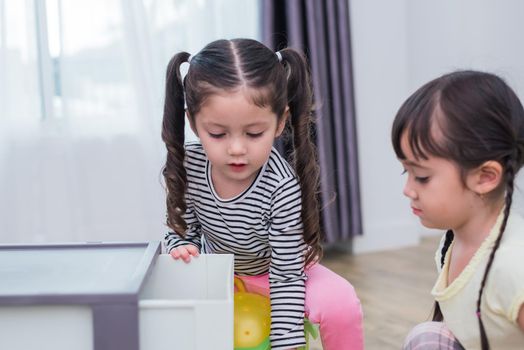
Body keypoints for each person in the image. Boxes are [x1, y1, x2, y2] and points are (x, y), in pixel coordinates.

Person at [160, 38, 363, 350]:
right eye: (218, 134)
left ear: (280, 122)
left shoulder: (280, 186)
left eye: (254, 134)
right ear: (193, 123)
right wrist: (183, 248)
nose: (237, 149)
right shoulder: (190, 164)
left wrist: (285, 343)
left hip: (277, 274)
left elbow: (286, 277)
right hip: (217, 272)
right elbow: (183, 230)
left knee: (342, 302)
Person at [392, 70, 524, 349]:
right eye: (407, 172)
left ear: (485, 176)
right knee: (426, 337)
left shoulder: (513, 267)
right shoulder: (451, 242)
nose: (408, 190)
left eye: (422, 177)